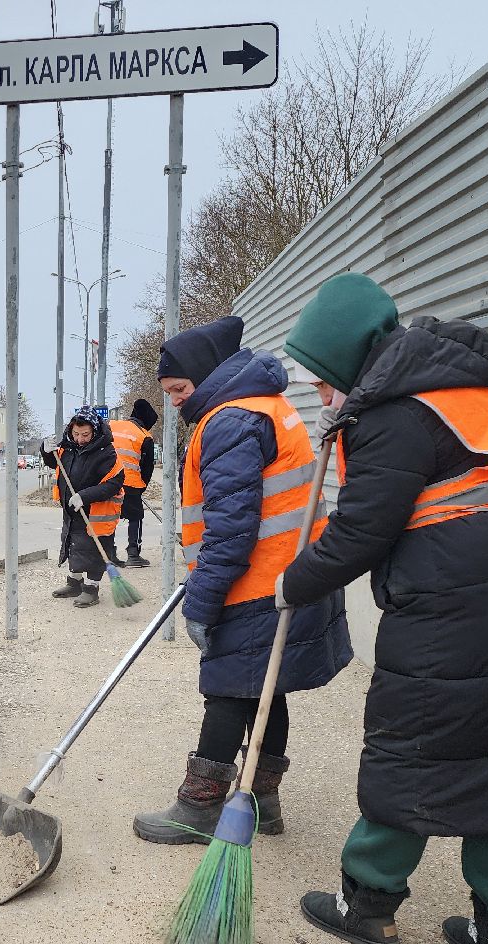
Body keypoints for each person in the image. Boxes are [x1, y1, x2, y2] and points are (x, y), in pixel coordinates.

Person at [279, 273, 488, 944]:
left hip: (455, 598)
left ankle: (369, 904)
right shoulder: (461, 385)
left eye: (325, 380)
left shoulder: (392, 414)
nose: (322, 396)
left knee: (414, 740)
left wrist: (294, 582)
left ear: (352, 361)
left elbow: (361, 533)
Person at [132, 316, 352, 843]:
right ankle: (262, 800)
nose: (177, 403)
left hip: (255, 586)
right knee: (265, 689)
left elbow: (231, 529)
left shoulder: (231, 421)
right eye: (169, 394)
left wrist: (202, 603)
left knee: (229, 691)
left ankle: (200, 806)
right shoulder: (266, 407)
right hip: (291, 578)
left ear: (208, 375)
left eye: (181, 389)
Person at [41, 408, 124, 609]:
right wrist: (45, 450)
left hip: (96, 512)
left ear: (94, 431)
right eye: (76, 434)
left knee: (94, 549)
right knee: (73, 545)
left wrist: (84, 496)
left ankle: (91, 589)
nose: (79, 439)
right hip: (72, 510)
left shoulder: (107, 453)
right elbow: (55, 462)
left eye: (85, 435)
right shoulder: (67, 447)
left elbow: (114, 482)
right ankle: (74, 584)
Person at [109, 399, 159, 568]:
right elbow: (147, 468)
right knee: (135, 517)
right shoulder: (144, 436)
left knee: (109, 516)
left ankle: (109, 554)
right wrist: (142, 487)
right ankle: (133, 554)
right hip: (130, 483)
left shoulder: (112, 425)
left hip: (107, 481)